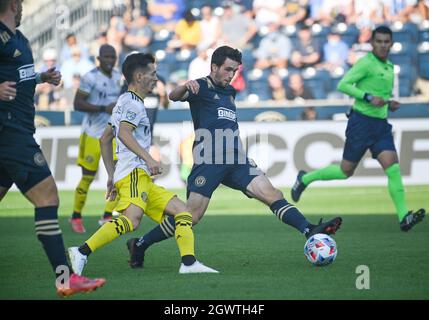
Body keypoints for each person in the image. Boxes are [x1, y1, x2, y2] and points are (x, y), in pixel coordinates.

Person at [125, 46, 342, 269]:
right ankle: (140, 244)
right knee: (191, 215)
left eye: (235, 71)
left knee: (272, 193)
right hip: (209, 160)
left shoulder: (230, 92)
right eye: (228, 69)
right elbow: (173, 96)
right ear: (214, 67)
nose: (231, 75)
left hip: (237, 159)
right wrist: (183, 87)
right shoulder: (200, 86)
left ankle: (308, 230)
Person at [67, 53, 218, 275]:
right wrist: (149, 158)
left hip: (137, 176)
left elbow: (105, 138)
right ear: (139, 76)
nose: (156, 78)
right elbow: (125, 134)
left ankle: (189, 263)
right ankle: (81, 251)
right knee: (131, 221)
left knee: (184, 213)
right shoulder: (133, 104)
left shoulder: (124, 101)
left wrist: (111, 175)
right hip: (135, 173)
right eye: (153, 73)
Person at [0, 0, 105, 297]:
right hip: (10, 132)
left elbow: (16, 76)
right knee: (47, 196)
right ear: (11, 4)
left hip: (15, 129)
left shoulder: (17, 38)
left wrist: (41, 78)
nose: (22, 7)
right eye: (20, 2)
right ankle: (65, 278)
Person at [291, 26, 426, 231]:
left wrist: (389, 103)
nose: (382, 45)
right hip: (361, 123)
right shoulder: (366, 63)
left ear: (391, 43)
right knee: (346, 171)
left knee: (394, 168)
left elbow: (379, 95)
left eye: (386, 41)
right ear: (372, 43)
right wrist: (369, 97)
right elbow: (344, 84)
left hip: (380, 125)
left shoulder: (389, 66)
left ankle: (403, 217)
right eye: (379, 41)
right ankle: (305, 178)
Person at [69, 44, 122, 233]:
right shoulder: (90, 77)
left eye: (112, 57)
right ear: (99, 58)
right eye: (106, 57)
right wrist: (102, 108)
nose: (109, 60)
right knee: (87, 177)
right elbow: (77, 103)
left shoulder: (118, 77)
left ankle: (107, 215)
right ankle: (76, 215)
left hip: (113, 134)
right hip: (92, 133)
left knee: (118, 174)